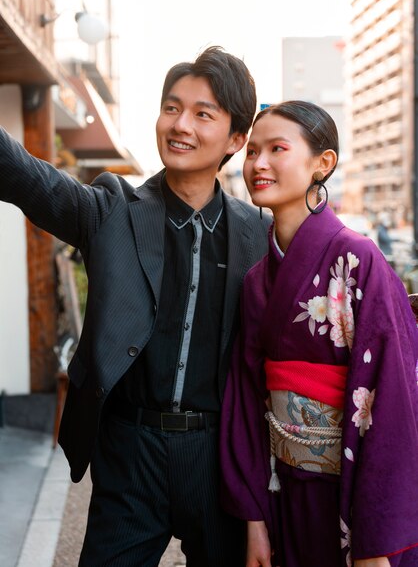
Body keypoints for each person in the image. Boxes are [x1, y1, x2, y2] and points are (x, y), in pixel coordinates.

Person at [0, 46, 271, 567]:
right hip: (130, 452)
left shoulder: (259, 235)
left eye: (202, 114)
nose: (180, 124)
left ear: (237, 138)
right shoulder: (111, 211)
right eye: (172, 108)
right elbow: (28, 178)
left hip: (217, 458)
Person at [220, 101, 418, 567]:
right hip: (285, 493)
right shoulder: (255, 283)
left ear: (322, 164)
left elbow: (396, 400)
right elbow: (246, 405)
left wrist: (378, 541)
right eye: (252, 152)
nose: (258, 163)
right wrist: (254, 522)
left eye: (277, 149)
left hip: (352, 493)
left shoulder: (358, 260)